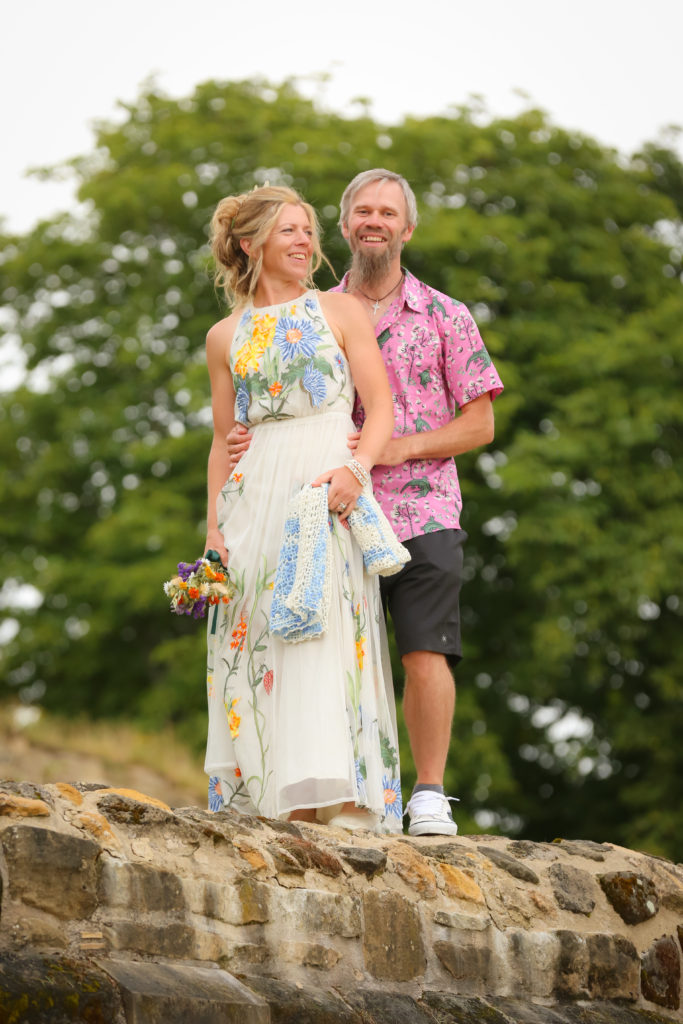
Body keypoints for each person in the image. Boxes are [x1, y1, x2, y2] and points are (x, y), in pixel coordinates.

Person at [229, 170, 503, 837]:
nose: (373, 221)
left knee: (423, 649)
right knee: (319, 645)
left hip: (421, 508)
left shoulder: (445, 315)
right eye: (362, 211)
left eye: (387, 213)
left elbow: (480, 425)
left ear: (406, 229)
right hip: (318, 507)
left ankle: (429, 794)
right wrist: (251, 434)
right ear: (346, 225)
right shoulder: (310, 311)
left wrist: (394, 450)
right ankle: (317, 789)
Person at [203, 184, 404, 833]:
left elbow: (379, 408)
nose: (303, 241)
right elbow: (220, 441)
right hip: (255, 496)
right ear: (248, 243)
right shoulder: (223, 336)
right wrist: (213, 533)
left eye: (307, 230)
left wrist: (354, 470)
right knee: (261, 639)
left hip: (326, 487)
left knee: (329, 636)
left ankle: (346, 803)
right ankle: (276, 802)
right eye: (287, 230)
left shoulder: (340, 311)